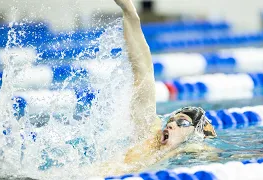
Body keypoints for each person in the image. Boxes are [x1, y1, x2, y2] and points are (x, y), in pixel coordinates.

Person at [92, 0, 218, 176]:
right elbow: (143, 70)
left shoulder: (188, 150)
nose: (172, 124)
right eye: (171, 121)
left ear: (194, 134)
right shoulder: (149, 134)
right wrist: (129, 11)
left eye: (181, 122)